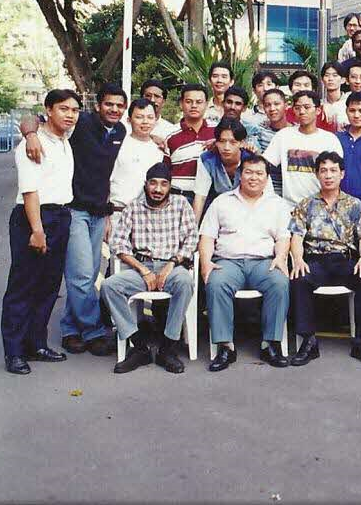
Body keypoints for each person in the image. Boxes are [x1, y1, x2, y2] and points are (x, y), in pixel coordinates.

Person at [22, 82, 127, 357]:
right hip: (74, 210)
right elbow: (31, 118)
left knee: (88, 274)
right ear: (98, 105)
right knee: (81, 275)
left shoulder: (120, 131)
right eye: (109, 104)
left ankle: (70, 329)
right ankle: (93, 332)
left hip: (98, 212)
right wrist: (31, 134)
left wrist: (107, 213)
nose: (114, 109)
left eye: (119, 105)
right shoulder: (78, 124)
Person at [1, 89, 80, 375]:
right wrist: (37, 230)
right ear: (48, 110)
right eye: (63, 109)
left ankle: (36, 343)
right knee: (23, 285)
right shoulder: (31, 144)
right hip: (33, 216)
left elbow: (29, 118)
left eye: (74, 110)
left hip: (60, 215)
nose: (70, 115)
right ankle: (14, 352)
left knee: (48, 285)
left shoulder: (64, 138)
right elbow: (29, 190)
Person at [199, 155, 292, 371]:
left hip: (263, 261)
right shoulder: (221, 201)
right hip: (228, 262)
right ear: (240, 175)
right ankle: (225, 346)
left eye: (259, 173)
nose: (253, 177)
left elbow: (283, 237)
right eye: (249, 172)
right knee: (216, 282)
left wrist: (280, 257)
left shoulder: (277, 205)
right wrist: (206, 263)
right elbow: (207, 236)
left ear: (267, 178)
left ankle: (270, 344)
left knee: (279, 282)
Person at [103, 163, 198, 374]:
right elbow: (117, 243)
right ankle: (139, 346)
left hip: (171, 266)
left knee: (185, 282)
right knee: (109, 286)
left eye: (164, 184)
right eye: (153, 183)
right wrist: (142, 269)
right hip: (141, 267)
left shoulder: (181, 204)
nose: (158, 189)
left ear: (170, 186)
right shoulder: (133, 207)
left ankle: (167, 347)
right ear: (146, 185)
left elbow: (191, 240)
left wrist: (171, 264)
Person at [287, 152, 361, 367]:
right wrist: (298, 259)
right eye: (323, 170)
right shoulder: (306, 204)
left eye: (333, 170)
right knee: (299, 279)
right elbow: (297, 236)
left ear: (342, 174)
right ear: (317, 174)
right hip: (315, 259)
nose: (328, 175)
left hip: (344, 259)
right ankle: (308, 342)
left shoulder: (354, 204)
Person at [262, 90, 344, 208]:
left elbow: (337, 174)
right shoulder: (283, 136)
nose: (302, 111)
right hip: (289, 207)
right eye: (297, 108)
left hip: (321, 206)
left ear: (318, 110)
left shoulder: (330, 139)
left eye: (307, 107)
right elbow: (264, 165)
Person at [193, 118, 256, 220]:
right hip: (217, 213)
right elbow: (200, 197)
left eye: (233, 142)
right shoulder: (207, 160)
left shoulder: (251, 160)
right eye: (222, 141)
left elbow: (265, 195)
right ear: (216, 142)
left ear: (241, 143)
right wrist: (194, 231)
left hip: (247, 213)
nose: (226, 147)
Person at [109, 99, 165, 209]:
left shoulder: (160, 149)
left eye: (150, 117)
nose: (145, 122)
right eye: (139, 117)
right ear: (129, 120)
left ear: (156, 120)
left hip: (148, 214)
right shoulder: (118, 146)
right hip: (118, 211)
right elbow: (106, 181)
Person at [165, 84, 216, 202]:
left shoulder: (217, 132)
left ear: (206, 104)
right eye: (189, 101)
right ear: (181, 104)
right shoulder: (169, 135)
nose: (194, 106)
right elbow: (165, 170)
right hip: (178, 197)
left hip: (210, 199)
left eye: (199, 102)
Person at [204, 61, 233, 127]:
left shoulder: (240, 110)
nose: (219, 80)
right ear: (209, 81)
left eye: (224, 77)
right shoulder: (202, 110)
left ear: (231, 82)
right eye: (215, 76)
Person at [319, 62, 347, 129]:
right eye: (327, 75)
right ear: (322, 80)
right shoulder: (319, 105)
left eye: (335, 75)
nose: (330, 79)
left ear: (343, 80)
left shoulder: (349, 103)